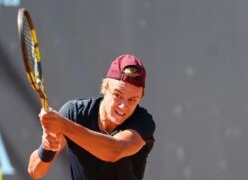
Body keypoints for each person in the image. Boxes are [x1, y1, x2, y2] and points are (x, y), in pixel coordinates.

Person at [27, 54, 156, 180]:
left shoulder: (143, 122)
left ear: (140, 98)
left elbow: (115, 150)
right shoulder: (75, 113)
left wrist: (64, 126)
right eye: (117, 95)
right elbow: (35, 171)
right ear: (104, 88)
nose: (123, 106)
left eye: (132, 100)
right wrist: (46, 148)